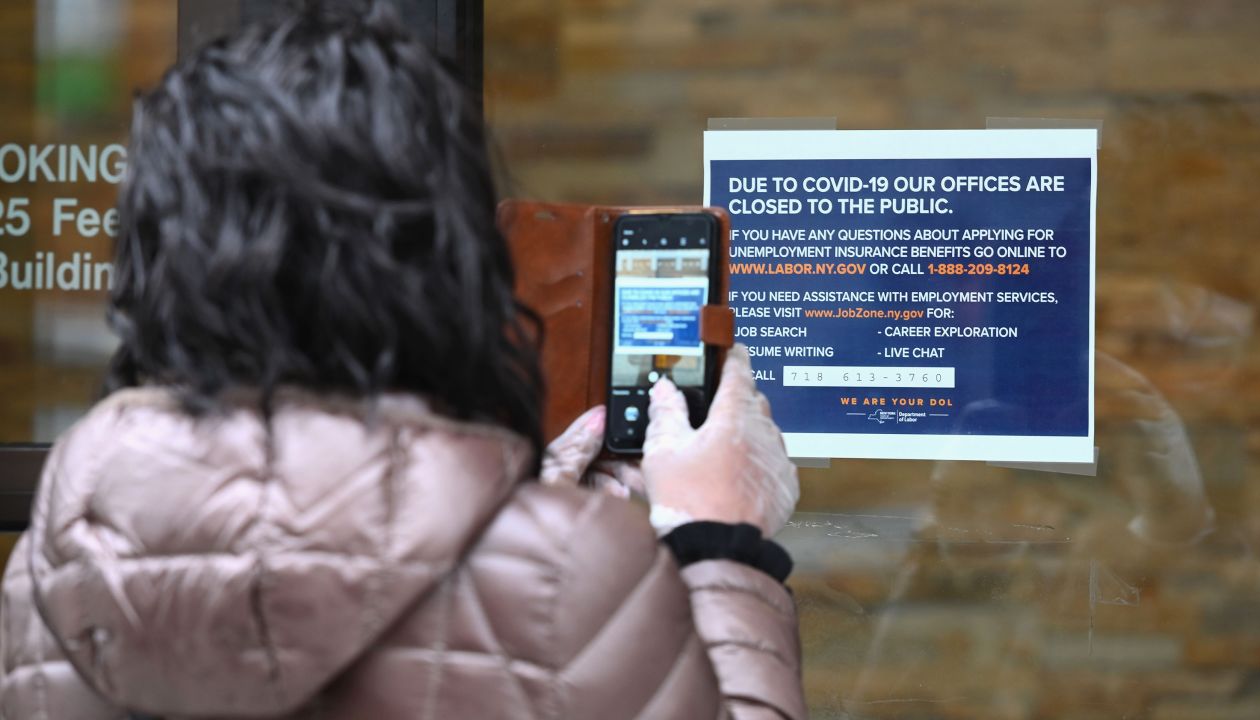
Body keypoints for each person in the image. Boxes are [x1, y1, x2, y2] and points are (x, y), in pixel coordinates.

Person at [0, 2, 804, 719]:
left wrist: (503, 515)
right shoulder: (567, 569)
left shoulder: (52, 560)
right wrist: (718, 538)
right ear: (439, 253)